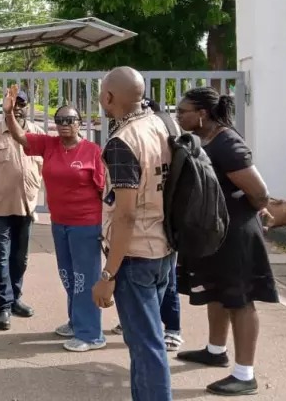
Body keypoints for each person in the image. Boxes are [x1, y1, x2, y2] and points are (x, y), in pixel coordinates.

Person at [175, 87, 278, 397]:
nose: (178, 116)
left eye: (183, 112)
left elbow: (259, 193)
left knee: (239, 298)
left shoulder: (228, 143)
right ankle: (215, 350)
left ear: (202, 113)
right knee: (217, 291)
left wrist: (251, 210)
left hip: (236, 233)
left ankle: (245, 375)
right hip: (215, 231)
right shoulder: (204, 140)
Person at [92, 67, 174, 401]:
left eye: (101, 93)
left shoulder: (123, 142)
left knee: (147, 346)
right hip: (164, 249)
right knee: (144, 344)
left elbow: (125, 215)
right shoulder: (163, 125)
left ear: (108, 97)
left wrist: (108, 275)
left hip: (135, 256)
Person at [4, 94, 107, 352]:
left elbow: (105, 192)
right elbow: (20, 137)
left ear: (79, 123)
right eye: (59, 120)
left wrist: (107, 227)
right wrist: (8, 113)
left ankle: (91, 335)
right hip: (60, 222)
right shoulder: (50, 145)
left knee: (85, 278)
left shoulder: (92, 152)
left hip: (86, 224)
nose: (64, 125)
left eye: (70, 120)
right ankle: (76, 322)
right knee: (69, 276)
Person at [0, 89, 43, 331]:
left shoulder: (37, 133)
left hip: (26, 207)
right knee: (0, 257)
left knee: (20, 257)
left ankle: (15, 299)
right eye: (13, 103)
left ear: (28, 105)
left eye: (21, 103)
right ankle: (2, 306)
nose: (17, 108)